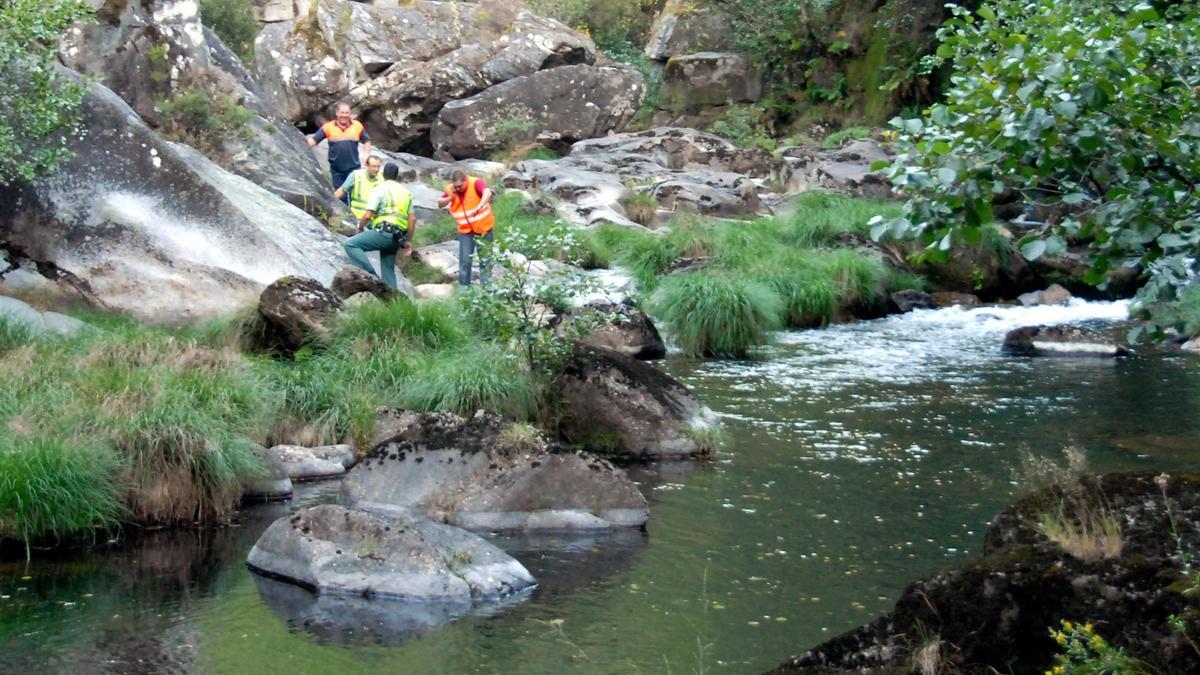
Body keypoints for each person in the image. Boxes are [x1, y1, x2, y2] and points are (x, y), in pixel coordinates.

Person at [344, 163, 415, 289]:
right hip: (397, 237)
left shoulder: (379, 189)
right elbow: (412, 219)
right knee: (388, 269)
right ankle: (393, 302)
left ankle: (372, 277)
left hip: (384, 232)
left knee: (350, 244)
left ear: (383, 175)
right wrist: (408, 241)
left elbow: (367, 215)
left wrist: (360, 228)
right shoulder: (406, 193)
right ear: (396, 176)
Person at [438, 169, 494, 286]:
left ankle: (487, 290)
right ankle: (464, 291)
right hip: (466, 231)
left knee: (485, 260)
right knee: (464, 261)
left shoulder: (475, 183)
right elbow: (440, 203)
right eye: (456, 186)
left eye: (460, 186)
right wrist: (450, 198)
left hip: (483, 229)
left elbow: (487, 193)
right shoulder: (451, 189)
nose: (458, 189)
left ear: (466, 180)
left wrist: (479, 206)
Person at [308, 102, 372, 199]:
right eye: (342, 112)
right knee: (342, 198)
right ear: (337, 113)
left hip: (354, 168)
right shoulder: (328, 127)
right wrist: (299, 148)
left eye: (347, 113)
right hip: (337, 170)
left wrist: (366, 154)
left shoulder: (357, 126)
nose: (345, 115)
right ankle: (346, 214)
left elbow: (367, 141)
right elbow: (313, 140)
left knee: (355, 195)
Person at [334, 154, 384, 221]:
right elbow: (341, 191)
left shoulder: (382, 179)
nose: (377, 169)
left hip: (373, 220)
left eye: (378, 166)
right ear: (366, 166)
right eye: (374, 166)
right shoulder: (356, 175)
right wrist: (328, 203)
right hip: (355, 218)